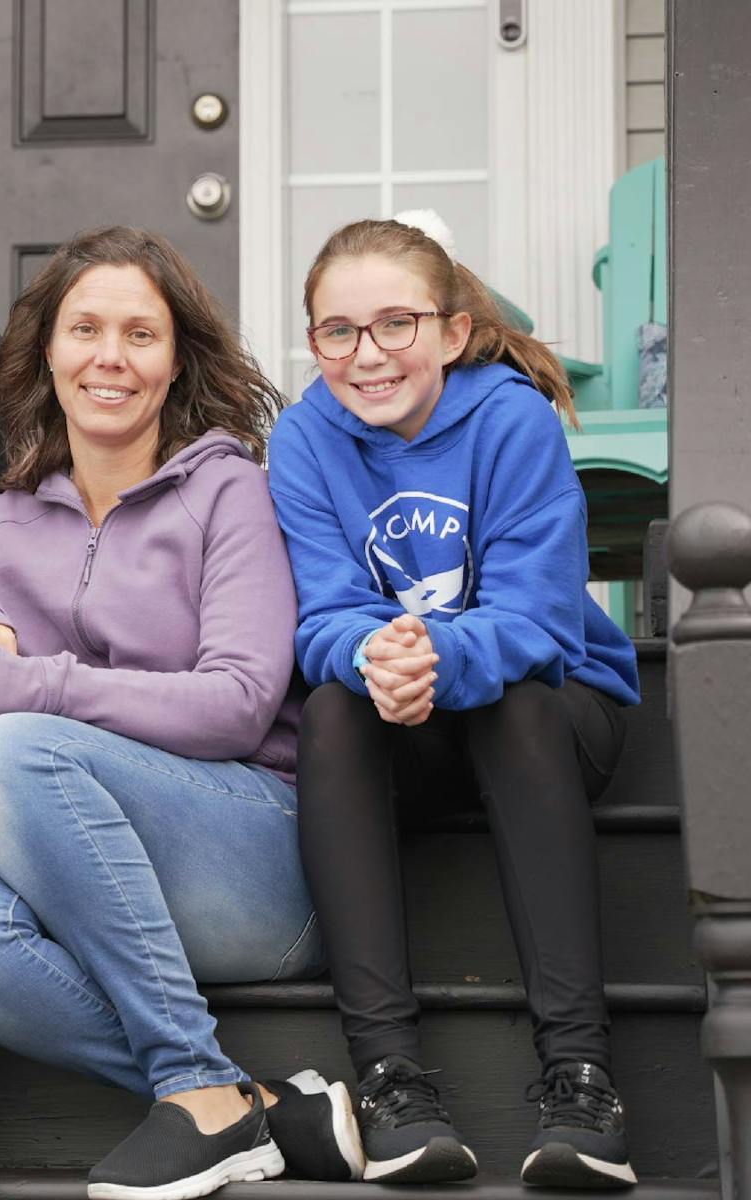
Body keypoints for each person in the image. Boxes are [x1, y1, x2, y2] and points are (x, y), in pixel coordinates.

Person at [0, 225, 367, 1200]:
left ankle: (196, 1088)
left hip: (258, 859)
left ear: (176, 361)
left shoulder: (227, 490)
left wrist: (31, 684)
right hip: (89, 869)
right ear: (47, 352)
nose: (110, 358)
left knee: (3, 754)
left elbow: (240, 706)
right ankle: (226, 1096)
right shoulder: (3, 520)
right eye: (86, 329)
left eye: (140, 333)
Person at [268, 218, 640, 1188]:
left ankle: (580, 1073)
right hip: (408, 724)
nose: (368, 354)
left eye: (397, 324)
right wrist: (368, 655)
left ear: (454, 330)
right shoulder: (306, 439)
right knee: (334, 707)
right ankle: (391, 1078)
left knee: (513, 700)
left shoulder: (511, 420)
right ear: (314, 342)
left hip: (555, 719)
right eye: (337, 331)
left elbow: (540, 620)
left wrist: (429, 651)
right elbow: (320, 619)